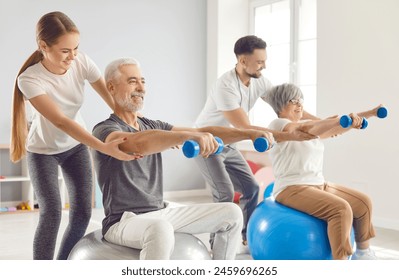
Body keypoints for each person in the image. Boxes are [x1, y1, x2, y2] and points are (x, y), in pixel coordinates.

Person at [91, 57, 275, 260]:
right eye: (132, 81)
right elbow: (136, 143)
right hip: (124, 221)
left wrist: (248, 133)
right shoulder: (105, 129)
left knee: (231, 213)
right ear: (111, 87)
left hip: (160, 212)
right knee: (160, 229)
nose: (141, 87)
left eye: (143, 81)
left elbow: (203, 131)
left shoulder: (152, 125)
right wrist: (186, 136)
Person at [10, 11, 138, 260]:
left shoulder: (82, 62)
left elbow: (111, 100)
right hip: (43, 152)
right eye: (65, 51)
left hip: (75, 147)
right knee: (52, 213)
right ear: (43, 46)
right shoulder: (29, 79)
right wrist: (101, 146)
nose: (73, 56)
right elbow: (60, 120)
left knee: (82, 214)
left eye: (76, 48)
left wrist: (136, 124)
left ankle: (63, 266)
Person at [194, 35, 317, 247]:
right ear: (243, 61)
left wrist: (322, 122)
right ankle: (217, 244)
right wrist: (289, 135)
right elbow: (244, 127)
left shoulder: (260, 81)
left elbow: (286, 106)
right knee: (224, 193)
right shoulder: (225, 86)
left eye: (264, 60)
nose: (265, 66)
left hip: (229, 143)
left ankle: (246, 236)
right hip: (206, 143)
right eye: (260, 62)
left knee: (250, 187)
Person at [265, 83, 380, 260]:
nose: (299, 104)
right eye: (293, 100)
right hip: (291, 188)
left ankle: (363, 255)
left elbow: (335, 129)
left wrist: (366, 115)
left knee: (363, 203)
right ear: (280, 105)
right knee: (341, 209)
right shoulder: (278, 125)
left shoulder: (308, 126)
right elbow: (307, 129)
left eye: (300, 100)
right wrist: (334, 121)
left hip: (319, 184)